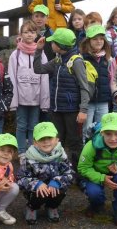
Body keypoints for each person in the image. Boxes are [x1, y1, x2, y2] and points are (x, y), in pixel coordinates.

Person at [33, 28, 95, 163]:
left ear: (60, 45)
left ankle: (78, 177)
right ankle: (60, 173)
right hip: (56, 109)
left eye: (53, 42)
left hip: (72, 111)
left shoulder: (76, 61)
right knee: (57, 142)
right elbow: (38, 69)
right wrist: (38, 50)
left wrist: (83, 110)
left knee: (74, 144)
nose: (51, 44)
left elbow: (85, 88)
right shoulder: (58, 60)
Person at [77, 112, 117, 226]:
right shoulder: (91, 146)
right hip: (96, 173)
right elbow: (82, 167)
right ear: (102, 133)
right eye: (108, 134)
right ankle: (97, 204)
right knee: (94, 192)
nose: (113, 139)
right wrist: (102, 178)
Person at [17, 122, 74, 224]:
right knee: (38, 192)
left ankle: (52, 207)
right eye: (42, 139)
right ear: (35, 142)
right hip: (36, 191)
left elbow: (69, 173)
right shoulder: (29, 157)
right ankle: (32, 208)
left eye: (49, 138)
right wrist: (36, 184)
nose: (46, 141)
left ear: (57, 140)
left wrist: (57, 181)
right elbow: (21, 178)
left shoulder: (61, 155)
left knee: (60, 189)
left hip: (54, 187)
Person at [9, 20, 50, 153]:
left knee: (34, 126)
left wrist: (44, 100)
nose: (29, 35)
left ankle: (32, 151)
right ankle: (21, 152)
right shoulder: (15, 54)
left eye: (32, 32)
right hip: (21, 97)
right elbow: (12, 77)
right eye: (26, 32)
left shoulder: (41, 53)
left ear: (36, 34)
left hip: (36, 97)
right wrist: (13, 99)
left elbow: (44, 76)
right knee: (21, 126)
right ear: (21, 34)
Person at [79, 25, 114, 142]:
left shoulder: (108, 59)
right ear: (89, 41)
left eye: (101, 38)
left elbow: (111, 78)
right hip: (88, 101)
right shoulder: (82, 58)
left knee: (102, 128)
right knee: (86, 129)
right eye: (95, 39)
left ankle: (99, 153)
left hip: (103, 100)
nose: (99, 41)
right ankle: (85, 153)